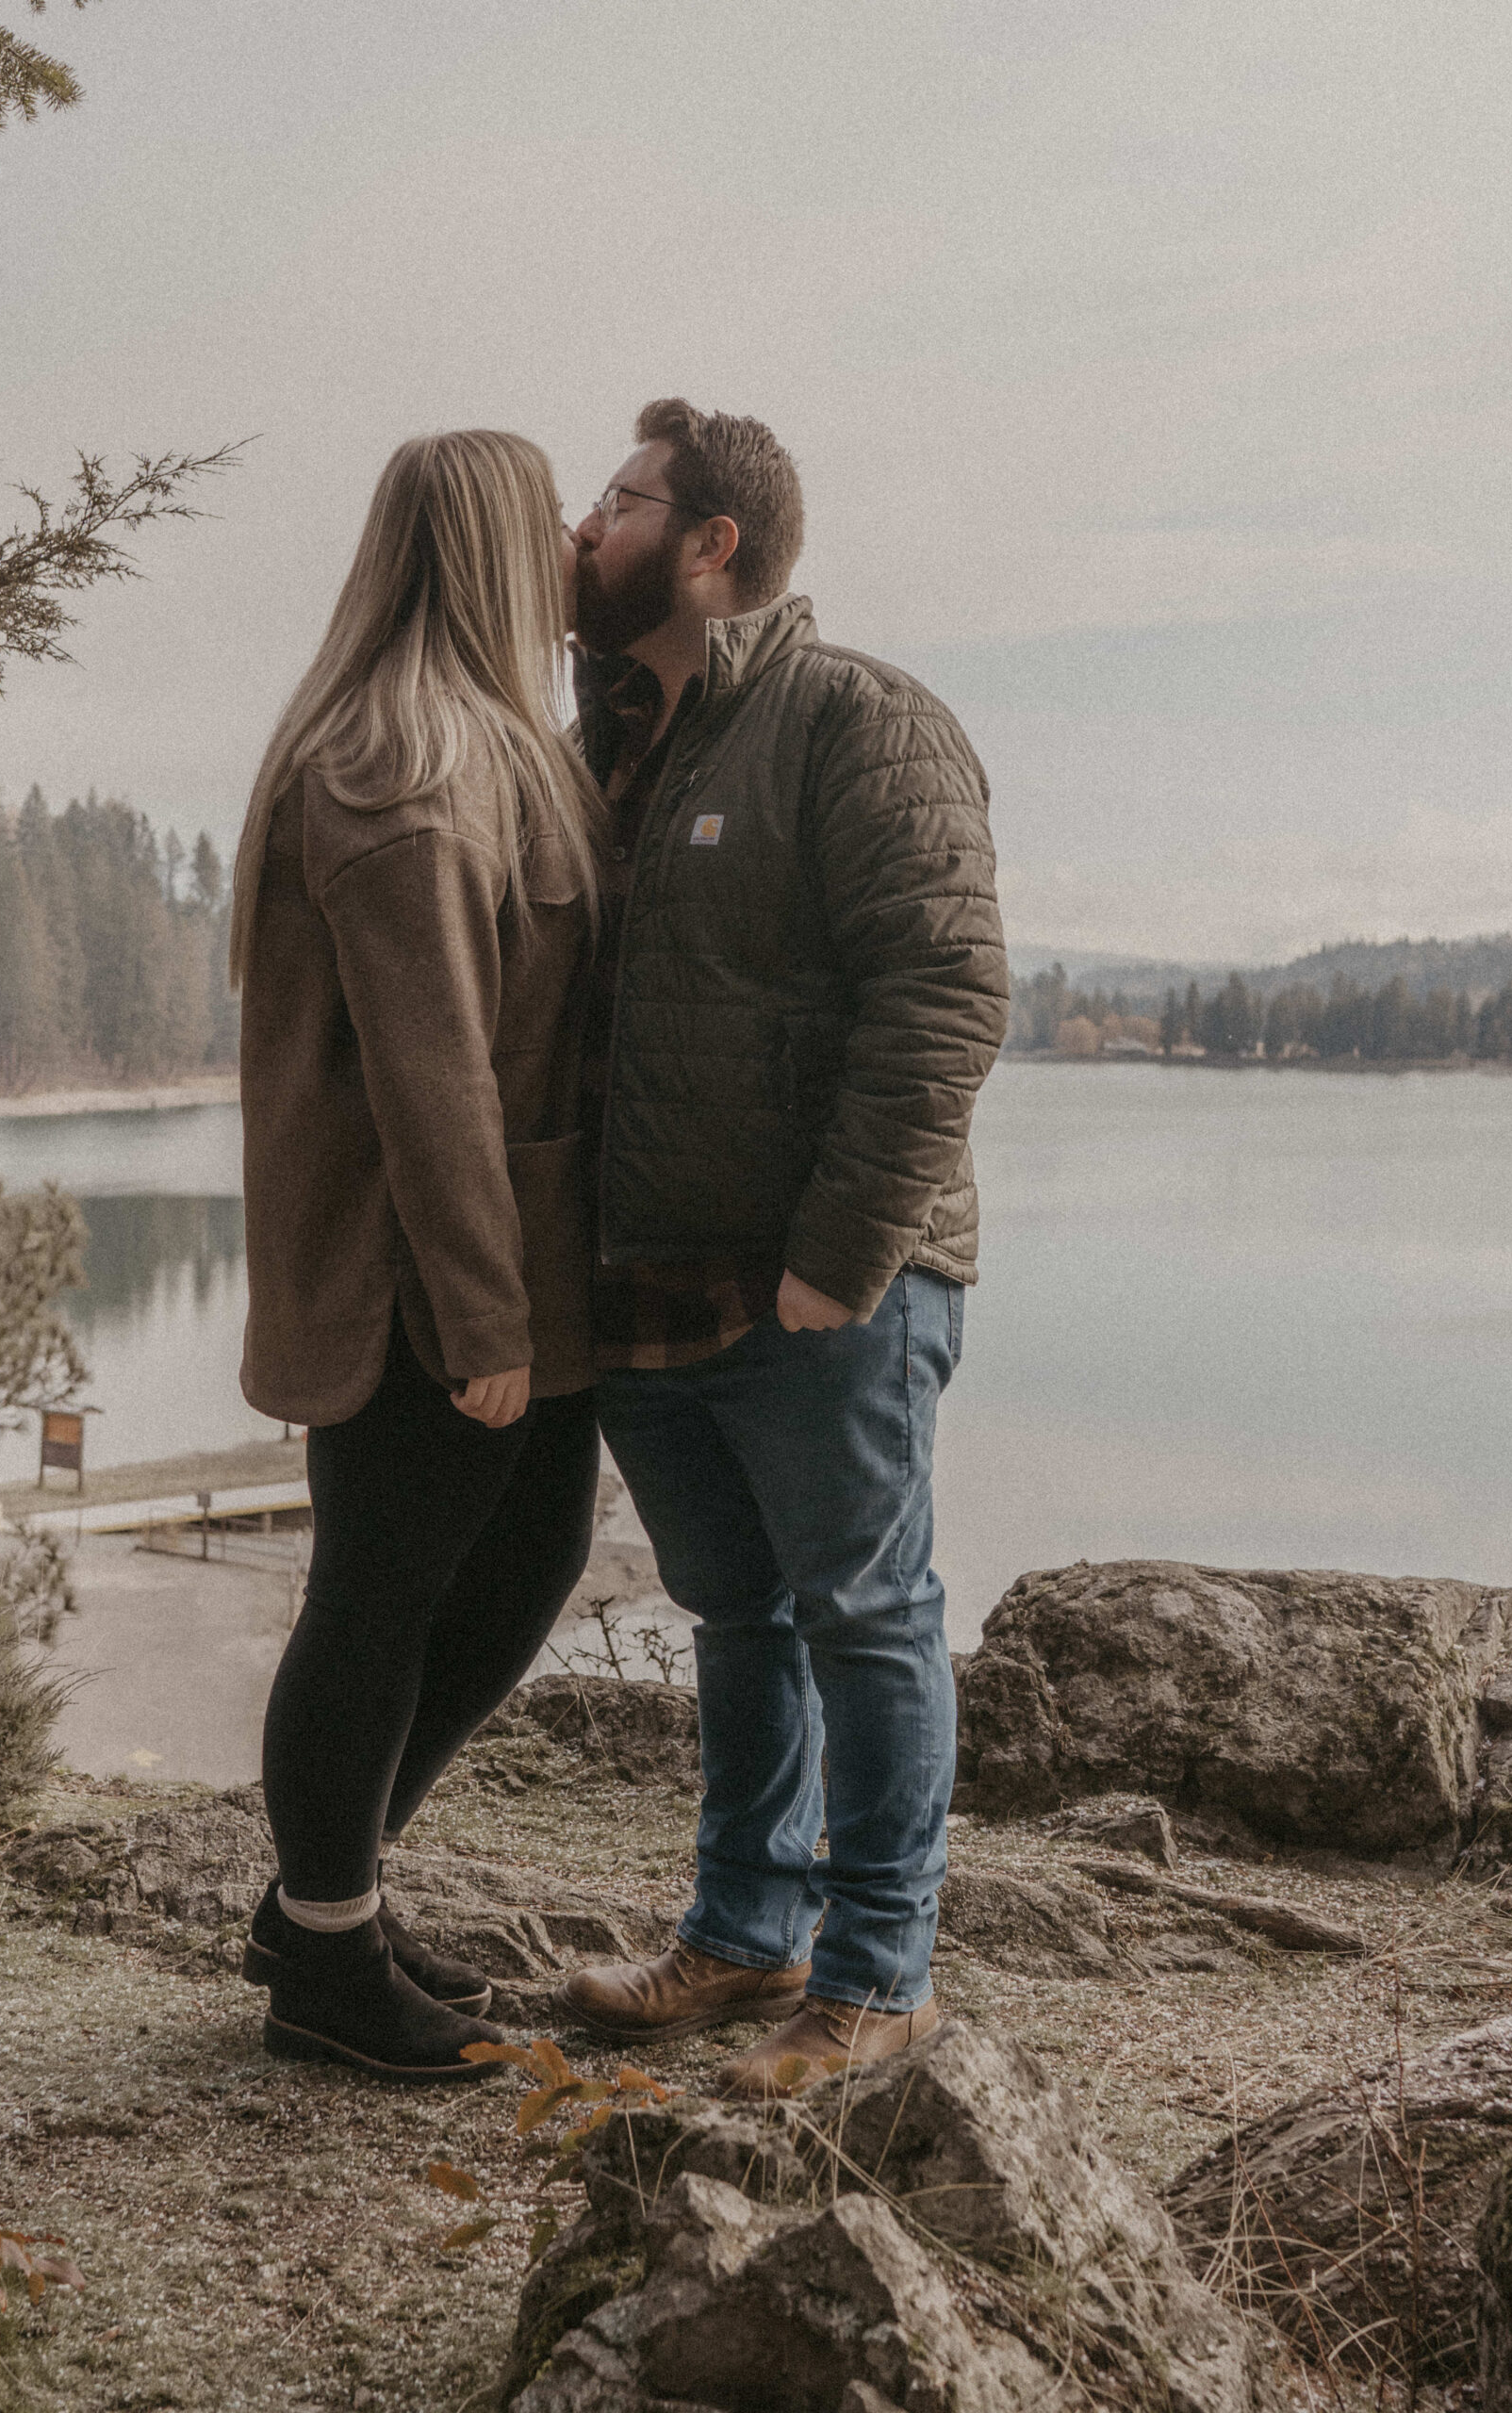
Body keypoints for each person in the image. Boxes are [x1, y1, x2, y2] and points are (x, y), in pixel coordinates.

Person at [555, 400, 1008, 2099]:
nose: (585, 528)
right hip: (648, 1292)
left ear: (711, 541)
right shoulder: (602, 738)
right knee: (736, 1619)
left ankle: (878, 1977)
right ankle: (746, 1938)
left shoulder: (856, 720)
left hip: (827, 1290)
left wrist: (842, 1255)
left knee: (870, 1616)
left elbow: (948, 990)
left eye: (614, 500)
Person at [227, 430, 602, 2081]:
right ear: (499, 552)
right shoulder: (401, 767)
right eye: (560, 525)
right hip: (422, 1286)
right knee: (374, 1604)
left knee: (521, 1571)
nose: (586, 547)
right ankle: (324, 1952)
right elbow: (430, 1073)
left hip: (488, 1274)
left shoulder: (484, 748)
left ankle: (330, 1897)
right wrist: (481, 1316)